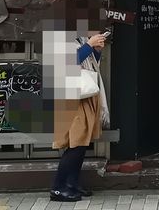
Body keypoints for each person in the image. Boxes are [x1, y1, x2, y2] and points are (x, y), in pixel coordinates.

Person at [49, 30, 107, 202]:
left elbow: (90, 64)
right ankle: (58, 187)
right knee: (76, 142)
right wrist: (89, 45)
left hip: (84, 94)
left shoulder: (79, 38)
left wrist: (96, 50)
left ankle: (71, 183)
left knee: (82, 142)